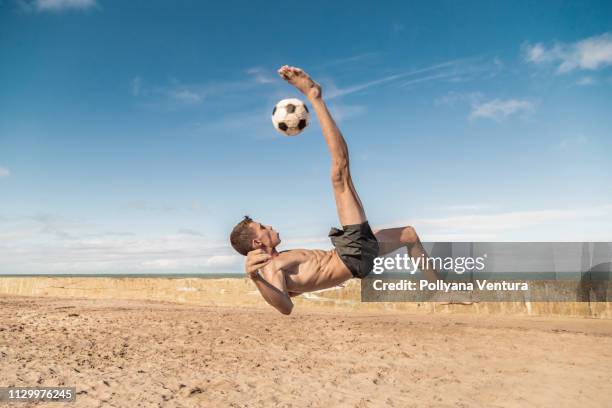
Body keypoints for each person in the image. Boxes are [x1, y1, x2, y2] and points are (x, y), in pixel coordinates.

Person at [230, 66, 438, 315]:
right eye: (264, 228)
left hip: (354, 258)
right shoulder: (269, 270)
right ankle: (314, 95)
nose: (271, 227)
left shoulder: (280, 261)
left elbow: (301, 286)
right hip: (352, 254)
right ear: (256, 242)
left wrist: (325, 278)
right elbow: (285, 307)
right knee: (340, 173)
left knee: (409, 235)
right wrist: (255, 278)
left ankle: (438, 288)